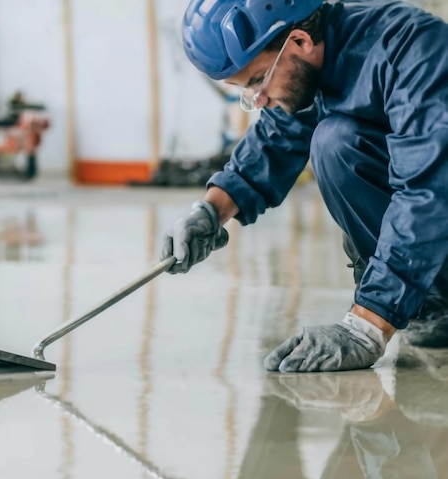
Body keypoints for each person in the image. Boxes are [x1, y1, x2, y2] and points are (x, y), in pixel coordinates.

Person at [162, 0, 448, 372]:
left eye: (257, 81)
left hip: (436, 210)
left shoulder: (411, 50)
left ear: (298, 41)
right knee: (335, 141)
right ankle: (425, 303)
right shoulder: (311, 65)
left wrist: (367, 325)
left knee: (336, 142)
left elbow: (427, 192)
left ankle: (421, 302)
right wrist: (211, 210)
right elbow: (278, 136)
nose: (258, 100)